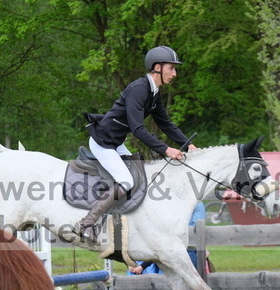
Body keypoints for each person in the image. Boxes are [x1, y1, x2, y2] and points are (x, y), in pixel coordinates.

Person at [74, 46, 197, 240]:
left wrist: (188, 144)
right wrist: (166, 149)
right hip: (103, 143)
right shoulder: (139, 89)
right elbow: (138, 129)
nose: (175, 73)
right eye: (171, 68)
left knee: (139, 176)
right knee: (126, 181)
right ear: (158, 67)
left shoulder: (153, 93)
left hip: (116, 143)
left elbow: (165, 123)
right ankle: (86, 223)